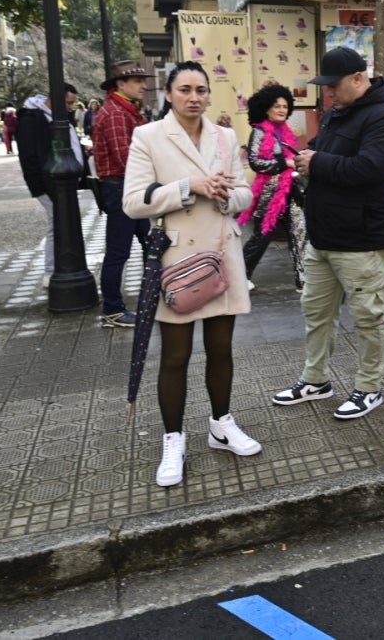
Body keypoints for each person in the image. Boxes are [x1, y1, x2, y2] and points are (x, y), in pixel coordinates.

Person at [122, 61, 259, 487]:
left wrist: (223, 196)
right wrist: (189, 188)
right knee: (175, 356)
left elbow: (244, 191)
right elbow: (132, 202)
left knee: (221, 349)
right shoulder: (148, 136)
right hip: (176, 262)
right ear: (168, 93)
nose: (194, 97)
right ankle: (173, 439)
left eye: (201, 89)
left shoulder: (225, 135)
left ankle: (221, 424)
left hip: (221, 255)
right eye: (185, 89)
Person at [271, 47, 384, 420]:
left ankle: (368, 388)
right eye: (326, 86)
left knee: (368, 318)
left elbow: (371, 168)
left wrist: (318, 162)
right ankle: (316, 380)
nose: (329, 93)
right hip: (323, 237)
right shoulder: (335, 114)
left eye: (334, 85)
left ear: (359, 79)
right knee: (315, 312)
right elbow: (321, 151)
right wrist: (304, 157)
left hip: (363, 239)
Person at [93, 62, 152, 328]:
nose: (143, 85)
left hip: (129, 187)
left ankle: (156, 295)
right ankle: (113, 310)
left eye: (143, 79)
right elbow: (127, 158)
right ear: (120, 85)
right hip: (121, 188)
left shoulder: (125, 110)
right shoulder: (116, 113)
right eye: (137, 80)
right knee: (119, 252)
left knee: (151, 245)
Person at [237, 84, 306, 292]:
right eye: (277, 106)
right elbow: (256, 162)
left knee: (299, 231)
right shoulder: (259, 132)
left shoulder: (286, 132)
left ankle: (304, 280)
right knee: (262, 236)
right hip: (269, 192)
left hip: (290, 190)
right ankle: (241, 276)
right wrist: (285, 163)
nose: (282, 110)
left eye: (285, 106)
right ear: (266, 108)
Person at [16, 85, 81, 280]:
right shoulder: (32, 119)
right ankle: (51, 270)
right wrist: (38, 184)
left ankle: (57, 267)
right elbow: (29, 156)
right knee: (58, 223)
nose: (71, 107)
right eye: (68, 103)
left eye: (72, 103)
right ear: (54, 101)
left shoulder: (58, 116)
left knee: (62, 221)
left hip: (63, 179)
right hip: (47, 181)